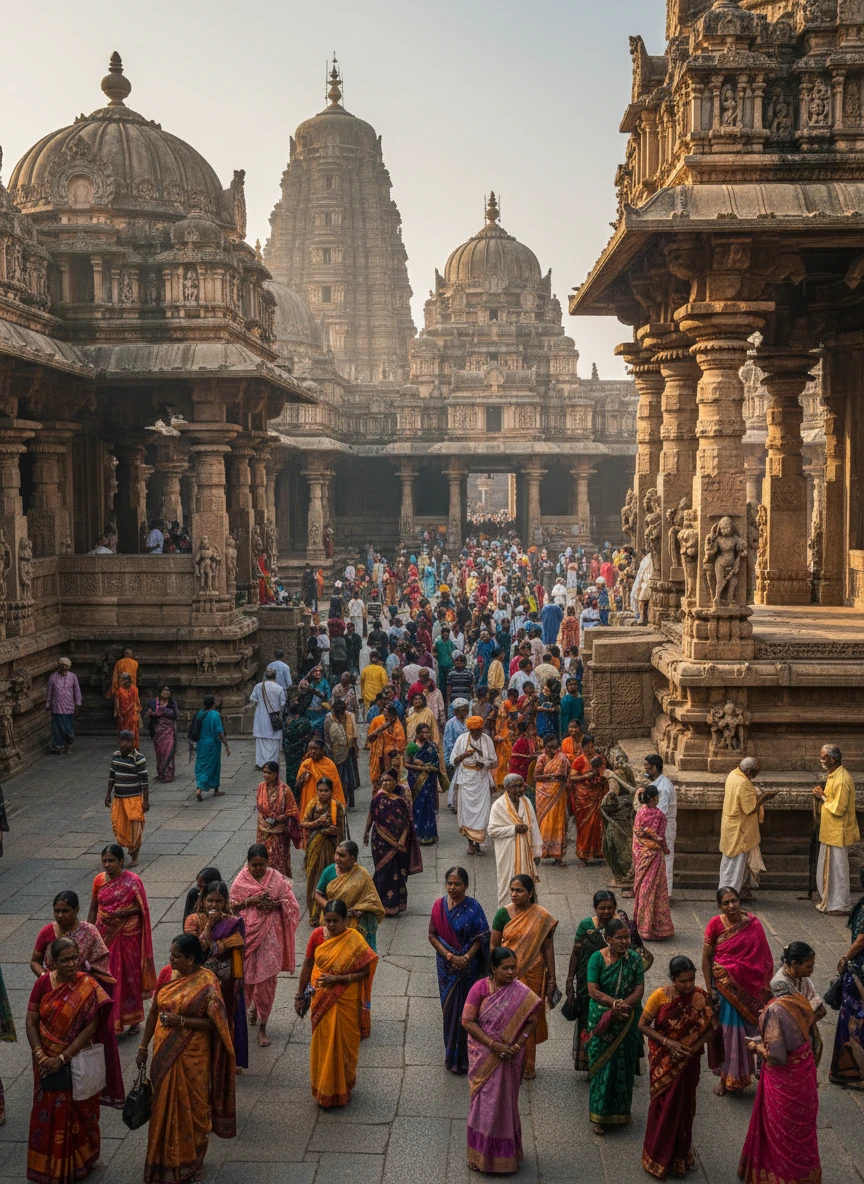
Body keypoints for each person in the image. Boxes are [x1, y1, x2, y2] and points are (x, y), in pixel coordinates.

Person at [136, 934, 236, 1183]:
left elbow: (216, 1024)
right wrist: (142, 1046)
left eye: (176, 956)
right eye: (170, 954)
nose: (170, 959)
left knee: (191, 1108)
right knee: (163, 1107)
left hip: (193, 1057)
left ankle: (190, 1164)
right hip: (164, 1052)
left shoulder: (207, 982)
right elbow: (153, 1013)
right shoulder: (166, 975)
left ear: (191, 959)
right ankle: (161, 1162)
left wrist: (180, 1021)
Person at [25, 937, 113, 1184]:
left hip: (74, 1059)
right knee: (47, 1110)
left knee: (80, 1110)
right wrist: (42, 1055)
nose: (71, 964)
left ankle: (80, 1162)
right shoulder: (43, 984)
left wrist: (63, 1058)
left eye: (75, 958)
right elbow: (31, 1021)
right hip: (44, 1059)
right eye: (65, 960)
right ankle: (47, 1166)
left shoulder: (88, 985)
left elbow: (92, 1026)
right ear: (53, 962)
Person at [29, 891, 124, 1109]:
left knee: (84, 1046)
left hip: (81, 998)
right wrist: (47, 979)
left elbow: (102, 964)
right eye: (57, 911)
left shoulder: (89, 932)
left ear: (76, 911)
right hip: (52, 996)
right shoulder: (47, 932)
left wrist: (81, 984)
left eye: (65, 911)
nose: (60, 915)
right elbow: (35, 961)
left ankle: (79, 1075)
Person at [461, 945, 542, 1174]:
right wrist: (493, 1045)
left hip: (510, 1057)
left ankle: (508, 1155)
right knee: (484, 1105)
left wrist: (518, 1045)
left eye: (513, 968)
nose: (510, 972)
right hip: (485, 1056)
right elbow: (467, 1021)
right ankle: (480, 1156)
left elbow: (532, 1021)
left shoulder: (522, 993)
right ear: (493, 969)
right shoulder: (480, 989)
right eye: (505, 968)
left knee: (506, 1104)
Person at [294, 899, 378, 1108]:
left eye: (335, 921)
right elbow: (307, 963)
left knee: (344, 1044)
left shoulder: (355, 939)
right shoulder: (317, 936)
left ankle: (343, 1087)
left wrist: (338, 980)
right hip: (321, 995)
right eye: (328, 920)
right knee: (323, 1042)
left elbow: (365, 971)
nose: (331, 925)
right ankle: (323, 1087)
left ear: (346, 921)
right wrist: (299, 994)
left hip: (345, 997)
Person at [639, 956, 716, 1179]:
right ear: (673, 980)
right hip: (665, 1061)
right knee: (663, 1108)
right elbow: (642, 1025)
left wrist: (696, 1047)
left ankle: (681, 1155)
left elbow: (712, 1029)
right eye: (683, 981)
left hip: (688, 1062)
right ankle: (656, 1157)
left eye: (691, 980)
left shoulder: (700, 997)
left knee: (685, 1108)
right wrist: (667, 1043)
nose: (688, 985)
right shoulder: (660, 997)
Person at [738, 977, 821, 1184]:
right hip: (804, 1073)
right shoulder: (800, 1001)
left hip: (783, 1080)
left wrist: (755, 1047)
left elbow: (777, 1056)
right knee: (803, 1134)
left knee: (781, 1135)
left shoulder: (774, 1011)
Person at [702, 885, 774, 1095]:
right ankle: (728, 1078)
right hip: (724, 990)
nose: (731, 906)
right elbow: (706, 958)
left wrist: (761, 984)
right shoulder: (715, 924)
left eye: (734, 900)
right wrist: (709, 989)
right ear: (719, 906)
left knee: (753, 1034)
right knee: (728, 1034)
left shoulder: (754, 924)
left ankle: (759, 1074)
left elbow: (765, 959)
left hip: (750, 990)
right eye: (726, 903)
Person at [230, 844, 300, 1047]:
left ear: (268, 863)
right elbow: (231, 905)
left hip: (270, 937)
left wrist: (275, 904)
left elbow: (291, 902)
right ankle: (249, 1009)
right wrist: (250, 901)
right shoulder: (241, 880)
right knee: (246, 978)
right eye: (254, 865)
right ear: (248, 863)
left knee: (267, 981)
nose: (258, 869)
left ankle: (263, 1025)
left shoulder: (276, 878)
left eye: (261, 864)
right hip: (247, 936)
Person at [490, 874, 557, 1079]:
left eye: (519, 890)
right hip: (507, 974)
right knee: (507, 1016)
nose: (514, 894)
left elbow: (547, 947)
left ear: (530, 893)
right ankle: (506, 1059)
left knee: (529, 1017)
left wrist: (553, 978)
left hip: (534, 973)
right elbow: (493, 944)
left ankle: (528, 1065)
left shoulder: (541, 916)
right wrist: (496, 969)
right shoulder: (502, 914)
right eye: (512, 890)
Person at [88, 843, 156, 1035]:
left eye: (111, 861)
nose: (107, 865)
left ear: (121, 861)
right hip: (104, 934)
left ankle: (133, 1020)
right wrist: (89, 931)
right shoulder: (99, 880)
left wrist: (123, 912)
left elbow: (142, 908)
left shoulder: (133, 881)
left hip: (128, 935)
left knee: (129, 977)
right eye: (104, 861)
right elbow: (94, 907)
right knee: (105, 976)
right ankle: (108, 1018)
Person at [585, 915, 645, 1134]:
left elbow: (639, 990)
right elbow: (593, 991)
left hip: (627, 1017)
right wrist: (614, 1005)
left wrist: (622, 1006)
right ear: (608, 938)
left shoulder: (635, 960)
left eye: (627, 937)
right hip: (603, 1016)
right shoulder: (596, 959)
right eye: (619, 938)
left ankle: (621, 1112)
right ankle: (599, 1116)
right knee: (603, 1067)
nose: (624, 942)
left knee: (625, 1065)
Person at [428, 867, 490, 1074]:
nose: (452, 888)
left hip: (467, 968)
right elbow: (432, 935)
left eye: (457, 884)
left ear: (466, 885)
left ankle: (469, 1056)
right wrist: (449, 956)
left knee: (468, 1011)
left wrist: (466, 957)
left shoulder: (474, 908)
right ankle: (452, 1055)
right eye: (449, 883)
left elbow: (482, 937)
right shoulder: (438, 906)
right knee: (450, 1011)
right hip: (446, 968)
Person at [183, 880, 249, 1071]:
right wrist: (211, 931)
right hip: (200, 978)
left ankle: (226, 1058)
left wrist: (215, 947)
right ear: (203, 901)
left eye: (218, 901)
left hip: (226, 980)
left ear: (225, 901)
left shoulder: (234, 922)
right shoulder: (194, 920)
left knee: (226, 1017)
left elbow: (239, 944)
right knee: (203, 1017)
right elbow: (196, 950)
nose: (214, 905)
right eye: (210, 901)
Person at [566, 890, 620, 1071]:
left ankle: (609, 1061)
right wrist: (569, 980)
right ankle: (589, 1061)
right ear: (595, 908)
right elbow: (576, 952)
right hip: (586, 983)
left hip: (612, 984)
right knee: (587, 1018)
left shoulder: (620, 926)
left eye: (610, 908)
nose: (606, 912)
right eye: (602, 908)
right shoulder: (585, 926)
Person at [363, 769, 423, 914]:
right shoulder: (378, 797)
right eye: (383, 780)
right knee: (382, 869)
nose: (385, 783)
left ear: (395, 782)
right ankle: (380, 902)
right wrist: (366, 831)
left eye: (388, 780)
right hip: (379, 841)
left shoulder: (401, 800)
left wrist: (402, 841)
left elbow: (408, 821)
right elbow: (371, 814)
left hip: (398, 843)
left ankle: (394, 903)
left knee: (396, 871)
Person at [718, 757, 777, 897]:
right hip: (740, 831)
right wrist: (765, 797)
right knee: (735, 866)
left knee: (737, 864)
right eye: (756, 773)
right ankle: (728, 896)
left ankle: (741, 891)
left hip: (732, 827)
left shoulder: (733, 774)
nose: (756, 776)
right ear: (750, 771)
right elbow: (750, 809)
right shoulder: (743, 782)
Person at [813, 742, 860, 914]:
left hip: (838, 832)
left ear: (832, 759)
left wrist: (822, 797)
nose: (821, 760)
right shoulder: (833, 775)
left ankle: (840, 904)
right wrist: (822, 796)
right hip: (830, 831)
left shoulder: (841, 779)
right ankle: (830, 900)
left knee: (838, 869)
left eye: (824, 757)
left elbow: (838, 808)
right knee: (829, 868)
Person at [314, 841, 385, 952]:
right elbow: (318, 894)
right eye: (336, 854)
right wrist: (332, 908)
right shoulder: (328, 871)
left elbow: (372, 901)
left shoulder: (362, 874)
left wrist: (357, 913)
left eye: (342, 855)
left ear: (352, 859)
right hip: (333, 921)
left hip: (356, 925)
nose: (337, 858)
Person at [830, 867, 864, 1087]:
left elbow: (861, 939)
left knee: (853, 1018)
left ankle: (852, 1070)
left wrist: (845, 958)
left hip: (860, 970)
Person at [487, 774, 542, 908]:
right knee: (507, 885)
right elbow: (492, 831)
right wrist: (514, 829)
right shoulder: (498, 805)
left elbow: (533, 826)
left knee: (527, 884)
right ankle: (507, 917)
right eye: (515, 786)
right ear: (506, 788)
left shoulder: (526, 802)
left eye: (521, 785)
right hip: (507, 855)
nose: (520, 789)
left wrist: (537, 851)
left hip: (526, 853)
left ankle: (528, 916)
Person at [632, 784, 674, 940]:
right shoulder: (659, 816)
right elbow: (660, 837)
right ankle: (653, 927)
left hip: (641, 856)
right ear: (655, 798)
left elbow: (637, 835)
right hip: (654, 856)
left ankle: (640, 924)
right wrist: (665, 849)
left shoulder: (640, 813)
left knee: (643, 889)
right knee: (655, 890)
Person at [301, 778, 346, 924]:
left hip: (331, 846)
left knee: (331, 877)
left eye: (326, 791)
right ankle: (315, 914)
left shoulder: (337, 806)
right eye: (320, 790)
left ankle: (331, 913)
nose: (323, 793)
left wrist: (334, 834)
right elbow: (304, 823)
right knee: (314, 877)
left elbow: (341, 829)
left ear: (331, 791)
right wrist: (318, 822)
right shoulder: (313, 803)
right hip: (315, 845)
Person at [451, 715, 498, 856]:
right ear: (469, 730)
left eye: (479, 730)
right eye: (474, 731)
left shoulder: (487, 740)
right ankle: (470, 844)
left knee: (482, 813)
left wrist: (483, 763)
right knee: (466, 814)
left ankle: (478, 843)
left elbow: (494, 762)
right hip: (466, 782)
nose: (477, 733)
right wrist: (464, 755)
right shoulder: (461, 739)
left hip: (481, 780)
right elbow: (453, 760)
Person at [105, 729, 149, 867]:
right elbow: (112, 776)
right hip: (119, 797)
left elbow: (145, 782)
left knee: (135, 828)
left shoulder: (139, 758)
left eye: (127, 741)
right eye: (121, 741)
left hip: (134, 798)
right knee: (119, 825)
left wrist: (146, 801)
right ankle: (127, 848)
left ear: (132, 743)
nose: (123, 744)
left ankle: (135, 856)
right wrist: (108, 794)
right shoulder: (115, 756)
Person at [256, 759, 302, 876]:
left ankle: (280, 888)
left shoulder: (285, 789)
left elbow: (293, 810)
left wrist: (280, 818)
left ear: (276, 774)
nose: (266, 775)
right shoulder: (261, 787)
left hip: (280, 832)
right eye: (264, 772)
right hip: (263, 830)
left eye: (269, 773)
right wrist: (267, 819)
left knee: (279, 860)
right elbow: (260, 806)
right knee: (263, 859)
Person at [533, 734, 571, 866]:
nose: (554, 750)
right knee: (543, 823)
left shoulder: (562, 758)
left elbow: (568, 773)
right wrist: (554, 776)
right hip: (544, 794)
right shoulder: (542, 758)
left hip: (559, 794)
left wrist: (563, 780)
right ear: (545, 747)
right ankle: (538, 854)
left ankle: (558, 855)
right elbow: (537, 777)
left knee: (559, 823)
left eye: (556, 747)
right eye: (551, 747)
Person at [405, 721, 444, 845]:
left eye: (428, 732)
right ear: (417, 733)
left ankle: (429, 835)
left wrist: (431, 767)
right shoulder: (411, 747)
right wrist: (421, 768)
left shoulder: (431, 746)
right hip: (415, 779)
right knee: (416, 806)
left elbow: (437, 762)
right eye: (423, 732)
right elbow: (406, 763)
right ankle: (416, 835)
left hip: (429, 781)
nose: (426, 735)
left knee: (428, 806)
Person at [571, 735, 606, 864]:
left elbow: (603, 775)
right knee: (584, 825)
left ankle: (597, 851)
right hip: (583, 796)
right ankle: (583, 855)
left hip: (597, 794)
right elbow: (572, 778)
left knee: (598, 824)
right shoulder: (579, 761)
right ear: (583, 746)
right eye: (587, 745)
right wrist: (586, 776)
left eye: (592, 745)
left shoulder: (600, 759)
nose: (590, 748)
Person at [645, 753, 676, 896]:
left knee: (666, 858)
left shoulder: (663, 787)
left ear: (655, 768)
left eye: (648, 768)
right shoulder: (656, 783)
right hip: (659, 826)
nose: (646, 771)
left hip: (664, 826)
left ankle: (665, 893)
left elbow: (660, 813)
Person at [192, 695, 230, 800]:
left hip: (201, 744)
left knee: (201, 765)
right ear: (213, 704)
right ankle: (202, 788)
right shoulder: (215, 715)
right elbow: (220, 732)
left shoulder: (200, 713)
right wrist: (226, 745)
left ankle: (203, 786)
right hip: (212, 744)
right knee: (213, 766)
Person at [324, 698, 359, 807]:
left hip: (348, 750)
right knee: (336, 777)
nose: (339, 715)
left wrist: (354, 748)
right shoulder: (329, 718)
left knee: (348, 777)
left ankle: (347, 799)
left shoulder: (350, 716)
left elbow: (353, 735)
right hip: (333, 752)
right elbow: (327, 736)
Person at [296, 736, 345, 813]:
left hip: (326, 806)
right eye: (310, 749)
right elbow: (298, 787)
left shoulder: (329, 765)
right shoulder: (305, 764)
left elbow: (335, 788)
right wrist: (303, 777)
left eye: (315, 749)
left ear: (322, 750)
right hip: (308, 804)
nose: (312, 751)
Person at [250, 668, 286, 768]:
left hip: (261, 718)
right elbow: (282, 703)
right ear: (275, 676)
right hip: (274, 719)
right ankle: (272, 763)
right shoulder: (279, 688)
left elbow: (253, 699)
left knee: (261, 742)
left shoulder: (258, 686)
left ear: (265, 676)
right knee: (273, 743)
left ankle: (260, 763)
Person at [365, 704, 406, 792]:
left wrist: (392, 751)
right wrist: (379, 730)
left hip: (391, 761)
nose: (385, 719)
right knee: (377, 780)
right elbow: (369, 739)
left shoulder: (398, 727)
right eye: (384, 717)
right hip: (378, 757)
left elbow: (401, 746)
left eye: (388, 718)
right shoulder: (377, 721)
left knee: (392, 782)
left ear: (394, 717)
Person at [45, 656, 82, 754]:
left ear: (69, 667)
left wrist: (78, 703)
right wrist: (48, 704)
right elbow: (50, 692)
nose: (63, 668)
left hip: (69, 707)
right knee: (57, 729)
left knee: (68, 729)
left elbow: (77, 691)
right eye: (61, 666)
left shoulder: (73, 677)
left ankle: (67, 744)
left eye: (65, 666)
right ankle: (58, 746)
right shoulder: (53, 677)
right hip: (57, 707)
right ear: (59, 666)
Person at [146, 685, 178, 783]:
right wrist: (151, 713)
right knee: (160, 753)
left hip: (169, 730)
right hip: (158, 731)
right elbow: (147, 715)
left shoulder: (172, 703)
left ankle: (169, 774)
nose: (166, 692)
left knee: (168, 752)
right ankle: (161, 773)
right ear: (160, 692)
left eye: (168, 690)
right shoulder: (153, 703)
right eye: (164, 690)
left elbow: (176, 715)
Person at [282, 701, 313, 798]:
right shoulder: (305, 722)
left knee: (291, 776)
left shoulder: (287, 722)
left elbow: (285, 738)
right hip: (302, 755)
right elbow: (310, 736)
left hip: (290, 754)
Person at [112, 670, 140, 747]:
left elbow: (137, 701)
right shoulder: (119, 691)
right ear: (121, 680)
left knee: (133, 729)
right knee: (123, 730)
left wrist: (137, 711)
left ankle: (134, 745)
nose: (126, 681)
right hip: (123, 716)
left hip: (133, 714)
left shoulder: (134, 689)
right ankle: (125, 744)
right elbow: (117, 705)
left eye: (128, 678)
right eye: (124, 679)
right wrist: (117, 713)